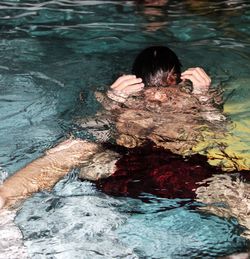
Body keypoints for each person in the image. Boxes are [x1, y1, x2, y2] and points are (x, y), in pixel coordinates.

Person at [0, 46, 218, 209]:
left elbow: (218, 131)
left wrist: (204, 98)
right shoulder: (120, 98)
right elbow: (88, 133)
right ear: (136, 85)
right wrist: (111, 105)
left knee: (232, 190)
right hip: (114, 165)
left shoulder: (194, 98)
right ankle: (5, 198)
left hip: (178, 168)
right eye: (147, 93)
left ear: (181, 84)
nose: (158, 99)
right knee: (76, 147)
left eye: (168, 93)